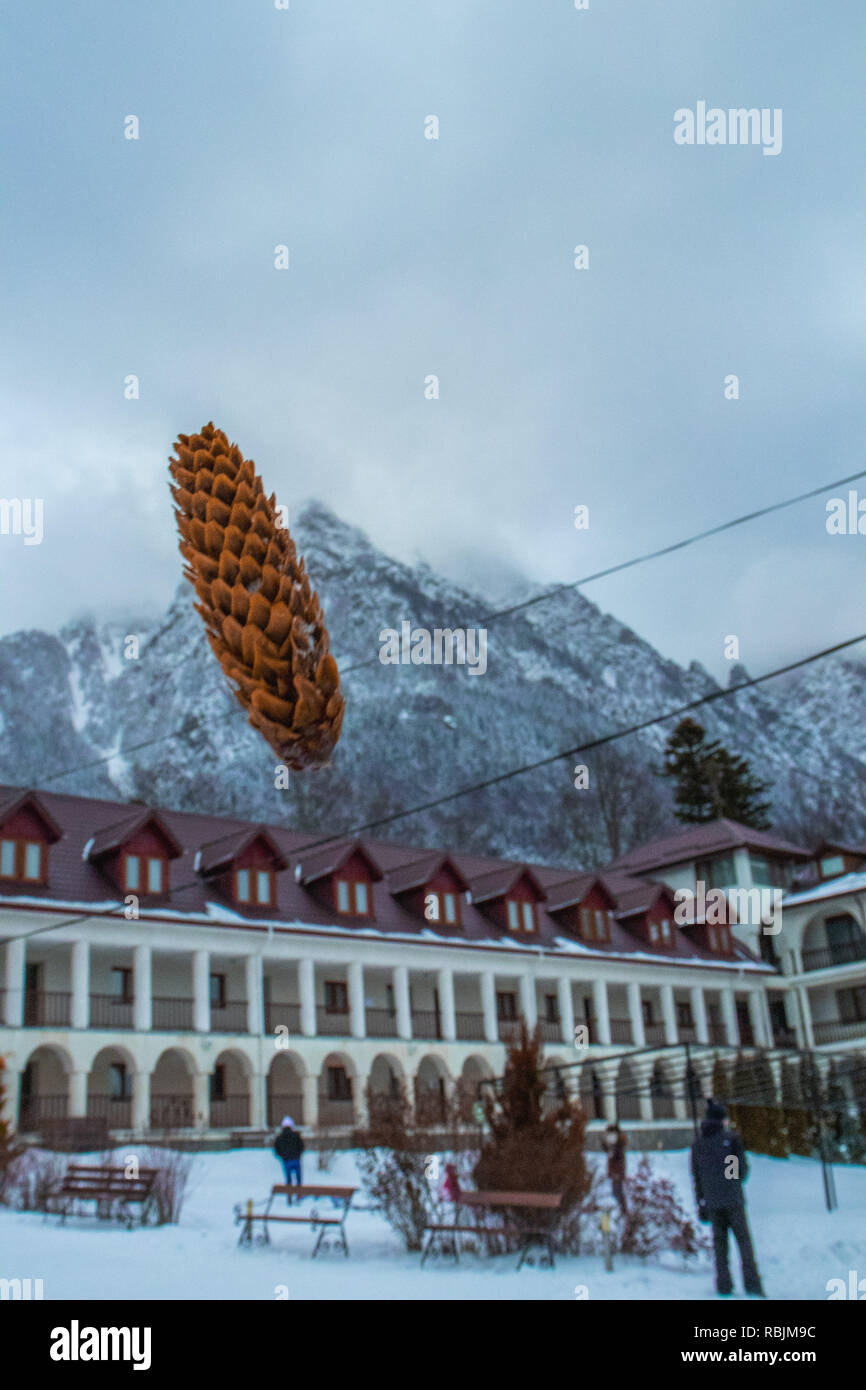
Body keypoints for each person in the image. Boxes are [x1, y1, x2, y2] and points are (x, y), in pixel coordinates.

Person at [690, 1098, 765, 1297]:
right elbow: (736, 1172)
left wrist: (702, 1201)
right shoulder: (729, 1140)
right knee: (743, 1243)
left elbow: (696, 1176)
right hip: (732, 1200)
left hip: (713, 1203)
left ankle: (723, 1284)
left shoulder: (698, 1145)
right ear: (722, 1120)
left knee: (720, 1245)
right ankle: (752, 1283)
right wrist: (729, 1181)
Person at [273, 1116, 304, 1203]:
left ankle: (289, 1197)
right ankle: (298, 1196)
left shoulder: (280, 1138)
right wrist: (298, 1154)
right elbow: (301, 1146)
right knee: (298, 1179)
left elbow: (276, 1149)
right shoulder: (296, 1135)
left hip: (286, 1161)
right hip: (296, 1160)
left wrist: (283, 1156)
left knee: (288, 1179)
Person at [602, 1122, 628, 1216]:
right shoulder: (612, 1147)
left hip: (617, 1173)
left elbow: (618, 1160)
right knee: (615, 1192)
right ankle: (619, 1212)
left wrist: (617, 1173)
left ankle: (622, 1212)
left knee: (618, 1192)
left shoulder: (618, 1148)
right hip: (613, 1173)